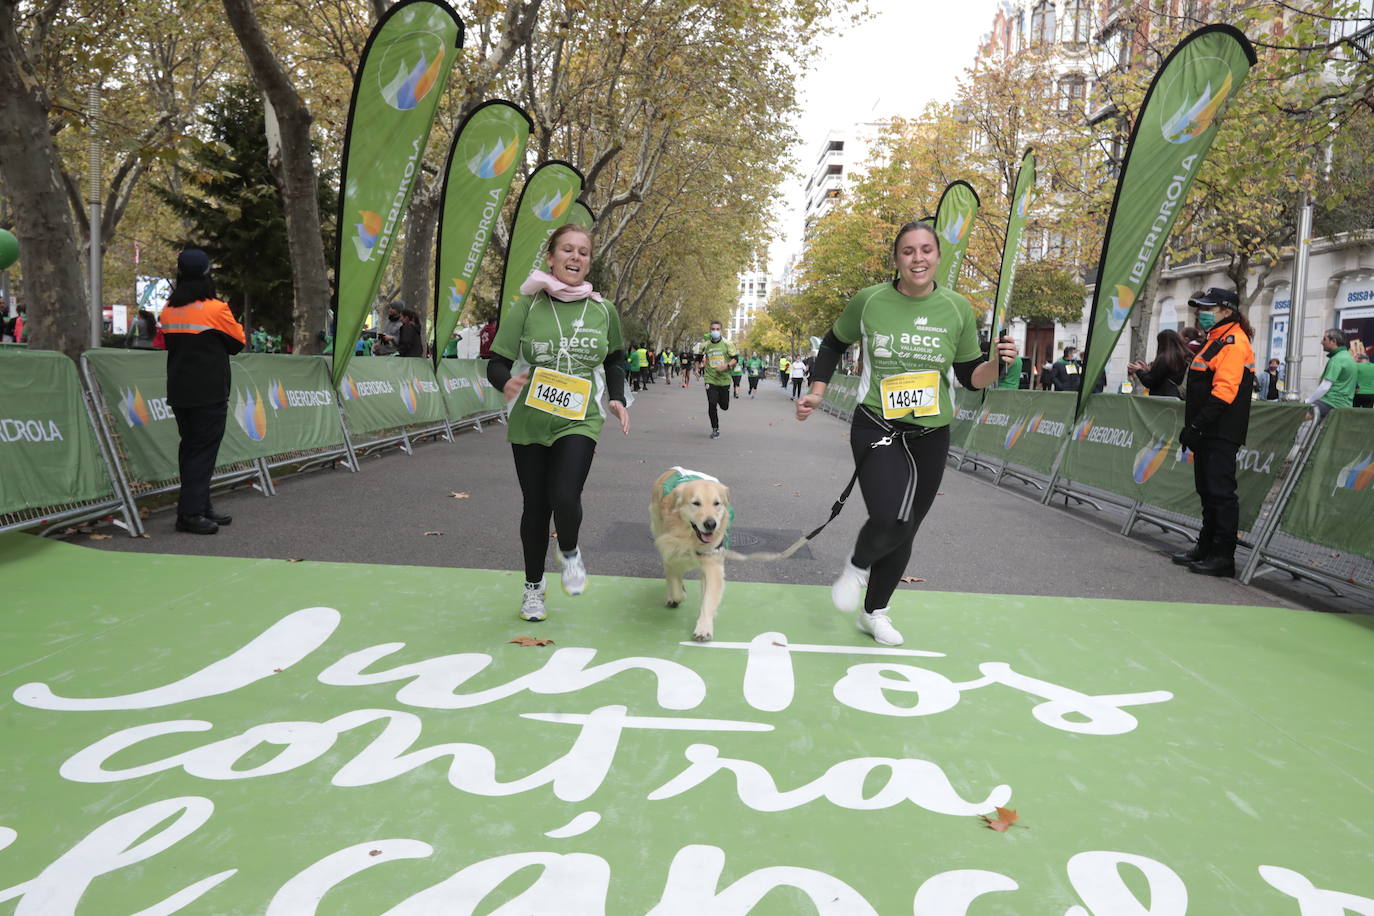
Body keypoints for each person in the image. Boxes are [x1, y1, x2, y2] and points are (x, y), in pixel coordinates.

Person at [796, 220, 1017, 646]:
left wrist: (1000, 364)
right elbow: (832, 343)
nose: (918, 258)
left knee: (906, 527)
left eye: (926, 250)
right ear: (896, 259)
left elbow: (972, 376)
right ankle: (858, 566)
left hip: (930, 433)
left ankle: (874, 612)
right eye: (908, 251)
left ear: (938, 256)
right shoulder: (870, 300)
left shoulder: (956, 309)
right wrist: (817, 391)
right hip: (877, 422)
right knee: (891, 514)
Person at [486, 224, 630, 622]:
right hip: (530, 418)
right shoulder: (528, 305)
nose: (575, 257)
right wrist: (507, 381)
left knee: (565, 496)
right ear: (551, 258)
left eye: (583, 252)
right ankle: (533, 587)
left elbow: (615, 359)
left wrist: (616, 397)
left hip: (579, 417)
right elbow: (495, 362)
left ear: (588, 262)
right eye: (567, 250)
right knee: (535, 505)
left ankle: (569, 550)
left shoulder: (603, 310)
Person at [160, 248, 246, 535]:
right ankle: (190, 514)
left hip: (180, 389)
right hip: (209, 391)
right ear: (209, 273)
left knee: (191, 449)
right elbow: (238, 342)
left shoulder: (169, 310)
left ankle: (201, 506)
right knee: (203, 451)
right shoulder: (216, 309)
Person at [1172, 287, 1254, 578]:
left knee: (1220, 493)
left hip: (1220, 429)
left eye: (1208, 309)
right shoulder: (1213, 341)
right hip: (1207, 429)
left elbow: (1224, 393)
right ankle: (1205, 546)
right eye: (1200, 309)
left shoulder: (1233, 342)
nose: (1202, 313)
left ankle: (1223, 555)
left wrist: (1196, 426)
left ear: (1227, 311)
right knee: (1207, 490)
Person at [1307, 328, 1357, 419]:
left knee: (1298, 415)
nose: (1321, 342)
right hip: (1344, 404)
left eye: (1324, 339)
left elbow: (1325, 386)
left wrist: (1308, 401)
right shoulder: (1348, 357)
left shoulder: (1337, 359)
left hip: (1331, 402)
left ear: (1333, 341)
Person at [1127, 329, 1190, 398]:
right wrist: (1147, 370)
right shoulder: (1184, 356)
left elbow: (1150, 381)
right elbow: (1164, 375)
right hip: (1176, 397)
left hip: (1162, 398)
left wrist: (1138, 370)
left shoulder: (1164, 359)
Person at [701, 320, 737, 438]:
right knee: (712, 403)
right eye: (712, 329)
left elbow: (735, 359)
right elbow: (698, 357)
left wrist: (726, 366)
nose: (715, 331)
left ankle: (718, 398)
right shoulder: (706, 344)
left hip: (724, 380)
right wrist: (696, 369)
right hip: (710, 378)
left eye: (717, 329)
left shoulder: (728, 344)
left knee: (724, 406)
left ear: (721, 331)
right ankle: (715, 429)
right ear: (710, 330)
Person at [1352, 341, 1374, 408]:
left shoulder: (1355, 366)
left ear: (1359, 359)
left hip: (1357, 393)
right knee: (1367, 414)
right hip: (1371, 394)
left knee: (1355, 413)